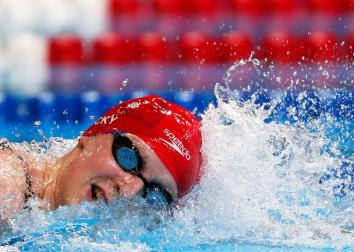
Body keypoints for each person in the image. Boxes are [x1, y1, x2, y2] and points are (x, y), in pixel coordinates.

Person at [0, 95, 202, 220]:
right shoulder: (8, 187)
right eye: (129, 158)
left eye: (155, 194)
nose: (129, 190)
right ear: (93, 133)